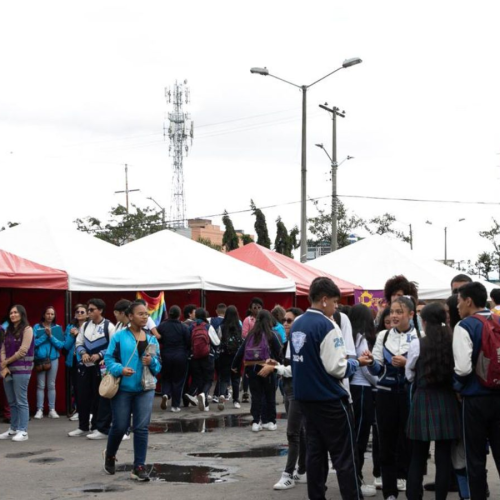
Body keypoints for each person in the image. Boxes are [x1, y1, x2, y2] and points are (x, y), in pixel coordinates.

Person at [290, 277, 369, 500]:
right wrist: (356, 363)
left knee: (315, 456)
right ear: (324, 300)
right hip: (330, 402)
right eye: (335, 302)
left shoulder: (298, 323)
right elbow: (337, 367)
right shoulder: (327, 325)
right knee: (345, 458)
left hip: (306, 401)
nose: (336, 307)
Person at [365, 296, 421, 500]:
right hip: (385, 396)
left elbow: (424, 370)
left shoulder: (420, 337)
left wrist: (408, 362)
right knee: (386, 444)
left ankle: (412, 487)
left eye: (399, 312)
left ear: (411, 314)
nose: (395, 316)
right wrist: (370, 362)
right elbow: (378, 369)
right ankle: (390, 492)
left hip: (410, 396)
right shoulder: (383, 336)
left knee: (410, 444)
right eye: (393, 312)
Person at [405, 303, 460, 500]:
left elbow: (409, 374)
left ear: (425, 321)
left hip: (423, 397)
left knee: (418, 456)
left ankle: (414, 497)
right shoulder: (453, 341)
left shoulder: (418, 343)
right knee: (444, 457)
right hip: (447, 399)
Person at [103, 301, 161, 481]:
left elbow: (158, 366)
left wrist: (151, 362)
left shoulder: (152, 339)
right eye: (140, 314)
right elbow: (108, 359)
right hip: (123, 389)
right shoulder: (119, 337)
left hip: (146, 389)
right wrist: (120, 369)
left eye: (146, 314)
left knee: (141, 428)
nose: (145, 317)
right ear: (130, 316)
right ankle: (110, 455)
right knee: (120, 426)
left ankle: (139, 466)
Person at [452, 282, 500, 499]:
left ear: (469, 300)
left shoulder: (465, 326)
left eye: (459, 300)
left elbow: (462, 367)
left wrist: (457, 387)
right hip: (498, 396)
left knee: (475, 458)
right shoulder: (498, 319)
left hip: (475, 398)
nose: (457, 306)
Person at [260, 307, 306, 490]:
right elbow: (288, 365)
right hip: (288, 389)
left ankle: (288, 474)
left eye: (289, 320)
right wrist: (277, 364)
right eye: (284, 320)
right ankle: (302, 470)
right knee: (299, 433)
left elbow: (297, 369)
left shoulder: (299, 342)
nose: (285, 323)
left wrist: (276, 368)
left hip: (296, 389)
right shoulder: (289, 342)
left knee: (293, 433)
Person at [69, 298, 116, 437]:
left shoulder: (109, 326)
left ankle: (97, 426)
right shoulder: (84, 326)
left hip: (101, 368)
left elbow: (113, 347)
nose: (88, 312)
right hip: (85, 367)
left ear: (100, 310)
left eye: (91, 310)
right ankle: (83, 426)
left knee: (99, 398)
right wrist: (83, 353)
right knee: (83, 396)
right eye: (88, 309)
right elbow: (79, 342)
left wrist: (100, 354)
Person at [232, 309, 282, 432]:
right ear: (269, 320)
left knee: (256, 396)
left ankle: (256, 422)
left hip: (251, 369)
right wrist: (279, 365)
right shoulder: (271, 334)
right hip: (268, 368)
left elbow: (240, 352)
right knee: (270, 395)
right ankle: (271, 422)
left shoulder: (250, 335)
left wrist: (235, 366)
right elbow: (279, 352)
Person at [349, 304, 378, 498]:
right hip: (363, 389)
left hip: (353, 387)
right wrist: (380, 381)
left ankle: (354, 476)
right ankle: (356, 479)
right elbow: (367, 368)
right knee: (360, 435)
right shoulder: (363, 338)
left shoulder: (350, 336)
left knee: (355, 434)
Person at [0, 305, 34, 442]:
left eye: (15, 312)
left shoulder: (27, 329)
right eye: (11, 313)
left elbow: (23, 351)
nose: (13, 315)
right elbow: (2, 348)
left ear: (21, 314)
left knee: (21, 401)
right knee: (11, 401)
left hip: (22, 369)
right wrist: (3, 365)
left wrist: (6, 362)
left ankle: (23, 430)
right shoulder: (7, 330)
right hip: (7, 370)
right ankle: (13, 428)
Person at [157, 305, 191, 412]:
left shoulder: (162, 326)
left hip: (166, 354)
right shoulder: (183, 327)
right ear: (179, 315)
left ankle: (166, 394)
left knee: (166, 378)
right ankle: (175, 406)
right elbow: (188, 343)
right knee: (178, 381)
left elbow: (159, 339)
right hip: (180, 356)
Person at [185, 308, 220, 411]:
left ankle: (205, 404)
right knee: (208, 379)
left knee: (198, 378)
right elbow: (216, 342)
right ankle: (204, 395)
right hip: (208, 356)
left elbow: (188, 342)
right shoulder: (208, 326)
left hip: (195, 357)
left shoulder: (191, 327)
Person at [33, 306, 65, 419]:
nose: (50, 316)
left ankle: (52, 409)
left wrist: (51, 336)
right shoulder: (36, 327)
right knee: (40, 385)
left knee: (51, 385)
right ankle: (39, 410)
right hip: (40, 359)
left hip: (53, 359)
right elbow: (33, 343)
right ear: (43, 315)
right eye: (48, 314)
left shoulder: (57, 328)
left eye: (52, 314)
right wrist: (44, 336)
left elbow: (61, 345)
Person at [63, 304, 88, 421]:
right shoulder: (70, 327)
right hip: (73, 360)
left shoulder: (90, 326)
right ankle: (78, 410)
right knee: (76, 387)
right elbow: (66, 346)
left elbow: (89, 345)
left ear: (87, 314)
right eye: (77, 312)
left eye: (82, 312)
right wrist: (72, 336)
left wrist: (79, 335)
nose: (79, 314)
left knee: (86, 387)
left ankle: (88, 411)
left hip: (85, 359)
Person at [217, 305, 243, 410]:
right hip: (236, 355)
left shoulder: (222, 326)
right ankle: (236, 400)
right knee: (235, 379)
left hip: (224, 355)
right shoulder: (239, 326)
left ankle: (222, 395)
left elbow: (218, 339)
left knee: (224, 377)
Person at [241, 297, 264, 402]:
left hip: (261, 350)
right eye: (255, 307)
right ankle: (245, 392)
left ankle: (258, 391)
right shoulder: (248, 320)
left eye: (259, 307)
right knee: (247, 371)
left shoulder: (264, 319)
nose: (257, 309)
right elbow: (244, 334)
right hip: (250, 349)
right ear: (250, 309)